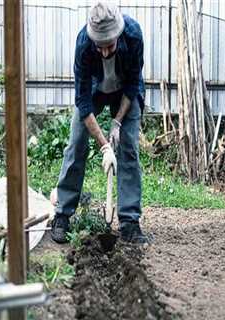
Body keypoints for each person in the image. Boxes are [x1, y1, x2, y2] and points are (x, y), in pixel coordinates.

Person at [50, 2, 146, 244]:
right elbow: (83, 103)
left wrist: (117, 123)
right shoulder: (83, 43)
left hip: (124, 92)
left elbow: (133, 84)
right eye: (99, 46)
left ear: (118, 35)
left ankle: (129, 222)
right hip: (95, 91)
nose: (104, 52)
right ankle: (62, 215)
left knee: (129, 149)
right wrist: (104, 146)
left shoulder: (133, 36)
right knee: (76, 145)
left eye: (109, 46)